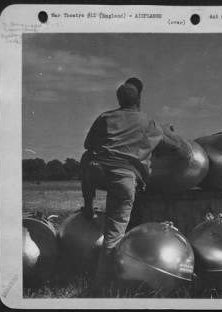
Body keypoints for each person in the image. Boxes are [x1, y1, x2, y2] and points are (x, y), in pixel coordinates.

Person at [80, 77, 180, 295]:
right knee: (112, 237)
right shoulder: (149, 123)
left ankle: (88, 204)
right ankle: (103, 287)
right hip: (122, 178)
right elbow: (174, 147)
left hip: (98, 172)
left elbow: (88, 145)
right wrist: (167, 132)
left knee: (86, 158)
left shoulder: (105, 117)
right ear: (139, 100)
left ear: (118, 99)